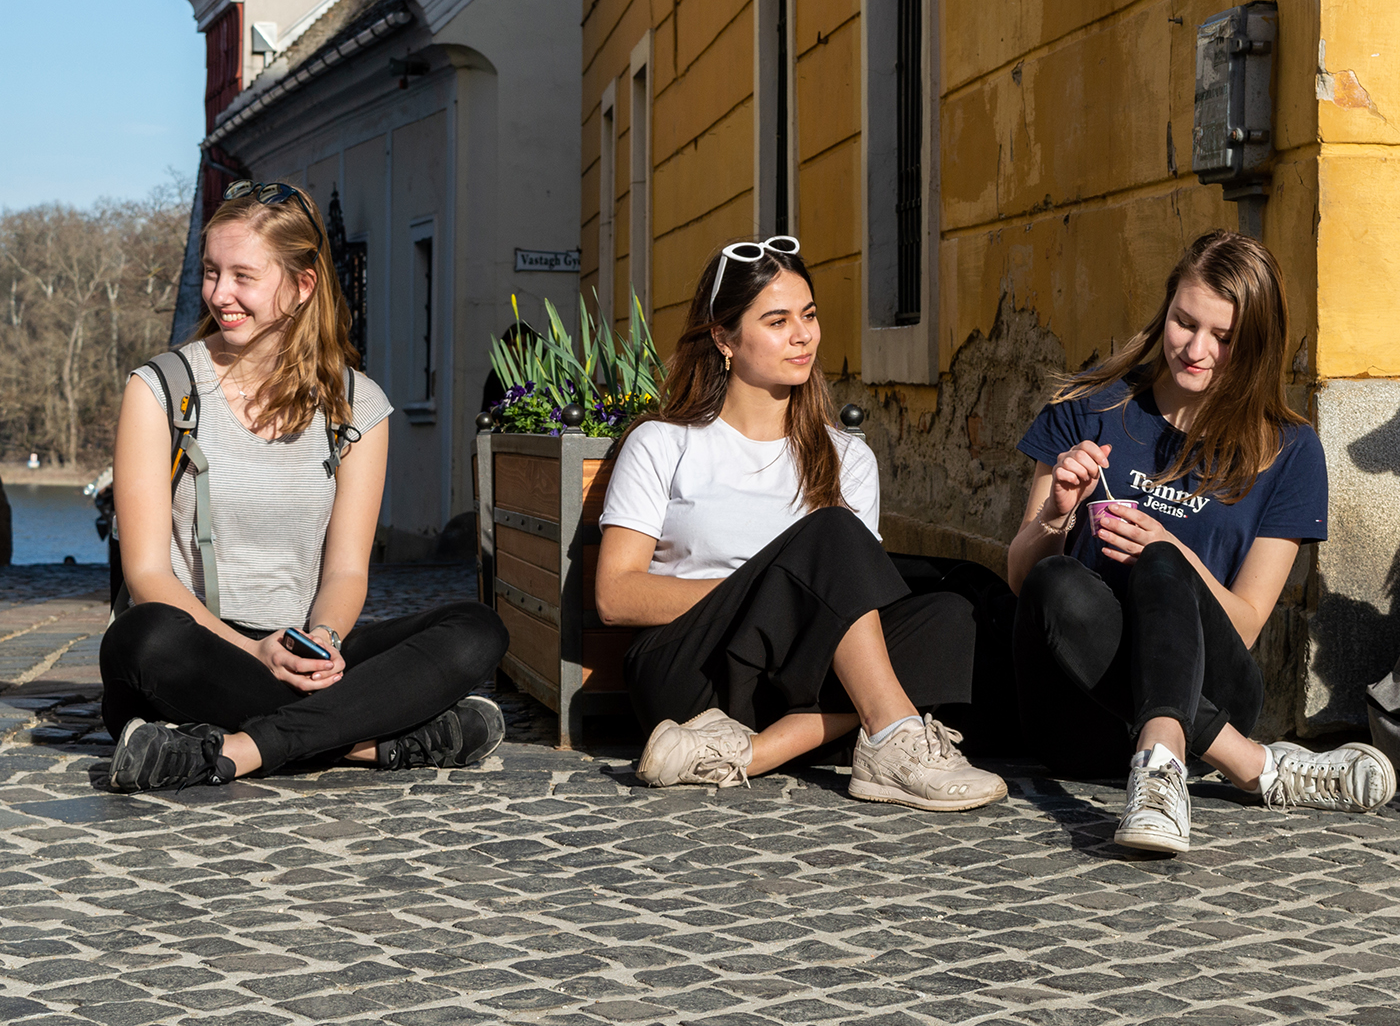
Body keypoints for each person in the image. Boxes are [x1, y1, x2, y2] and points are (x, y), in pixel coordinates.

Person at [101, 182, 509, 792]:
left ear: (302, 286)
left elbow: (346, 571)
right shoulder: (159, 390)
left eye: (244, 276)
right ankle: (376, 742)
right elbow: (148, 575)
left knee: (478, 629)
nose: (220, 294)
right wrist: (253, 650)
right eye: (212, 272)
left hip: (299, 650)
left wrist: (320, 641)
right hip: (199, 650)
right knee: (141, 636)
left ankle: (232, 750)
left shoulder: (357, 405)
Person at [1007, 230, 1396, 855]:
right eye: (1184, 322)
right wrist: (1056, 515)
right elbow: (1020, 579)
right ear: (1165, 308)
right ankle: (1255, 767)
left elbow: (1242, 626)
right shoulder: (1088, 407)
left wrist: (1173, 553)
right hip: (1079, 709)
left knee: (1161, 560)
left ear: (1257, 345)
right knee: (1056, 580)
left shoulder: (1290, 452)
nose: (1195, 349)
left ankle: (1163, 762)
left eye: (1224, 337)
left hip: (1210, 691)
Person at [595, 236, 1006, 812]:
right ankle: (890, 736)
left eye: (809, 315)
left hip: (790, 683)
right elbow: (616, 594)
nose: (804, 334)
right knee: (831, 532)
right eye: (777, 319)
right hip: (694, 675)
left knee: (952, 612)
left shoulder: (847, 457)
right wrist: (772, 597)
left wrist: (796, 608)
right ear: (723, 338)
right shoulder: (664, 443)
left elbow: (858, 608)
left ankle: (748, 755)